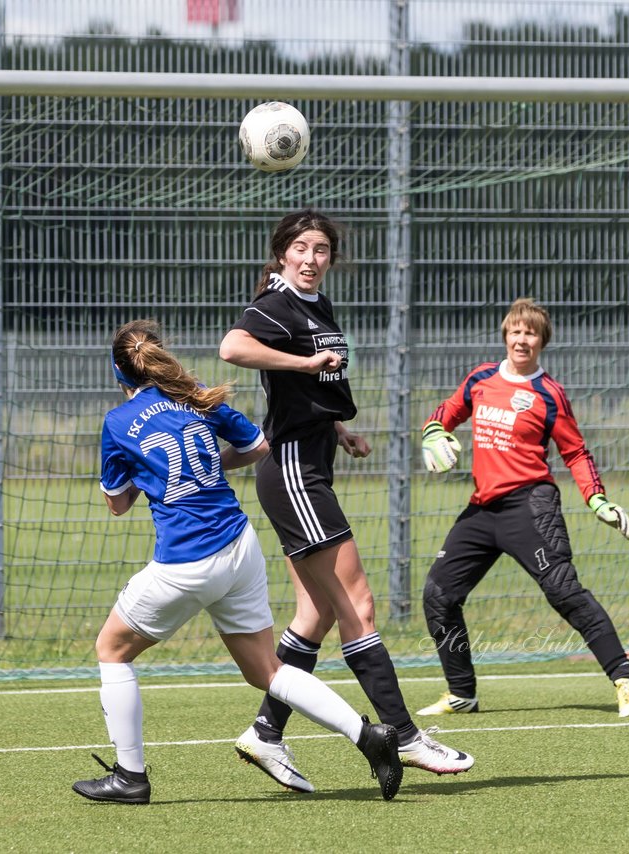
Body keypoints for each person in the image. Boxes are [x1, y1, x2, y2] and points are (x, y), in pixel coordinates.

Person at [72, 319, 405, 805]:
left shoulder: (119, 423)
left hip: (187, 560)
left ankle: (130, 777)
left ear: (119, 374)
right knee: (267, 671)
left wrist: (156, 474)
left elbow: (118, 503)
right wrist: (206, 463)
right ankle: (368, 736)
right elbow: (256, 446)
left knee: (111, 650)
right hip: (239, 546)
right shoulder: (195, 392)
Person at [218, 209, 473, 795]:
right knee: (357, 601)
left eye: (323, 250)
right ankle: (405, 735)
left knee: (318, 614)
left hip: (311, 466)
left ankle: (265, 732)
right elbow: (233, 347)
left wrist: (336, 429)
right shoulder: (276, 304)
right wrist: (306, 361)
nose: (311, 259)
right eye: (301, 248)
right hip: (292, 477)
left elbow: (299, 396)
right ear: (282, 253)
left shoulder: (316, 307)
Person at [417, 296, 629, 718]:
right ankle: (462, 693)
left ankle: (625, 675)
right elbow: (445, 414)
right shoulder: (480, 379)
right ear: (505, 335)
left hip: (531, 505)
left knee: (563, 591)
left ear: (542, 341)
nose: (522, 340)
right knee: (438, 595)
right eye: (516, 331)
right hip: (482, 509)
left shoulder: (549, 393)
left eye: (531, 333)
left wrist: (597, 500)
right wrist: (433, 433)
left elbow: (576, 452)